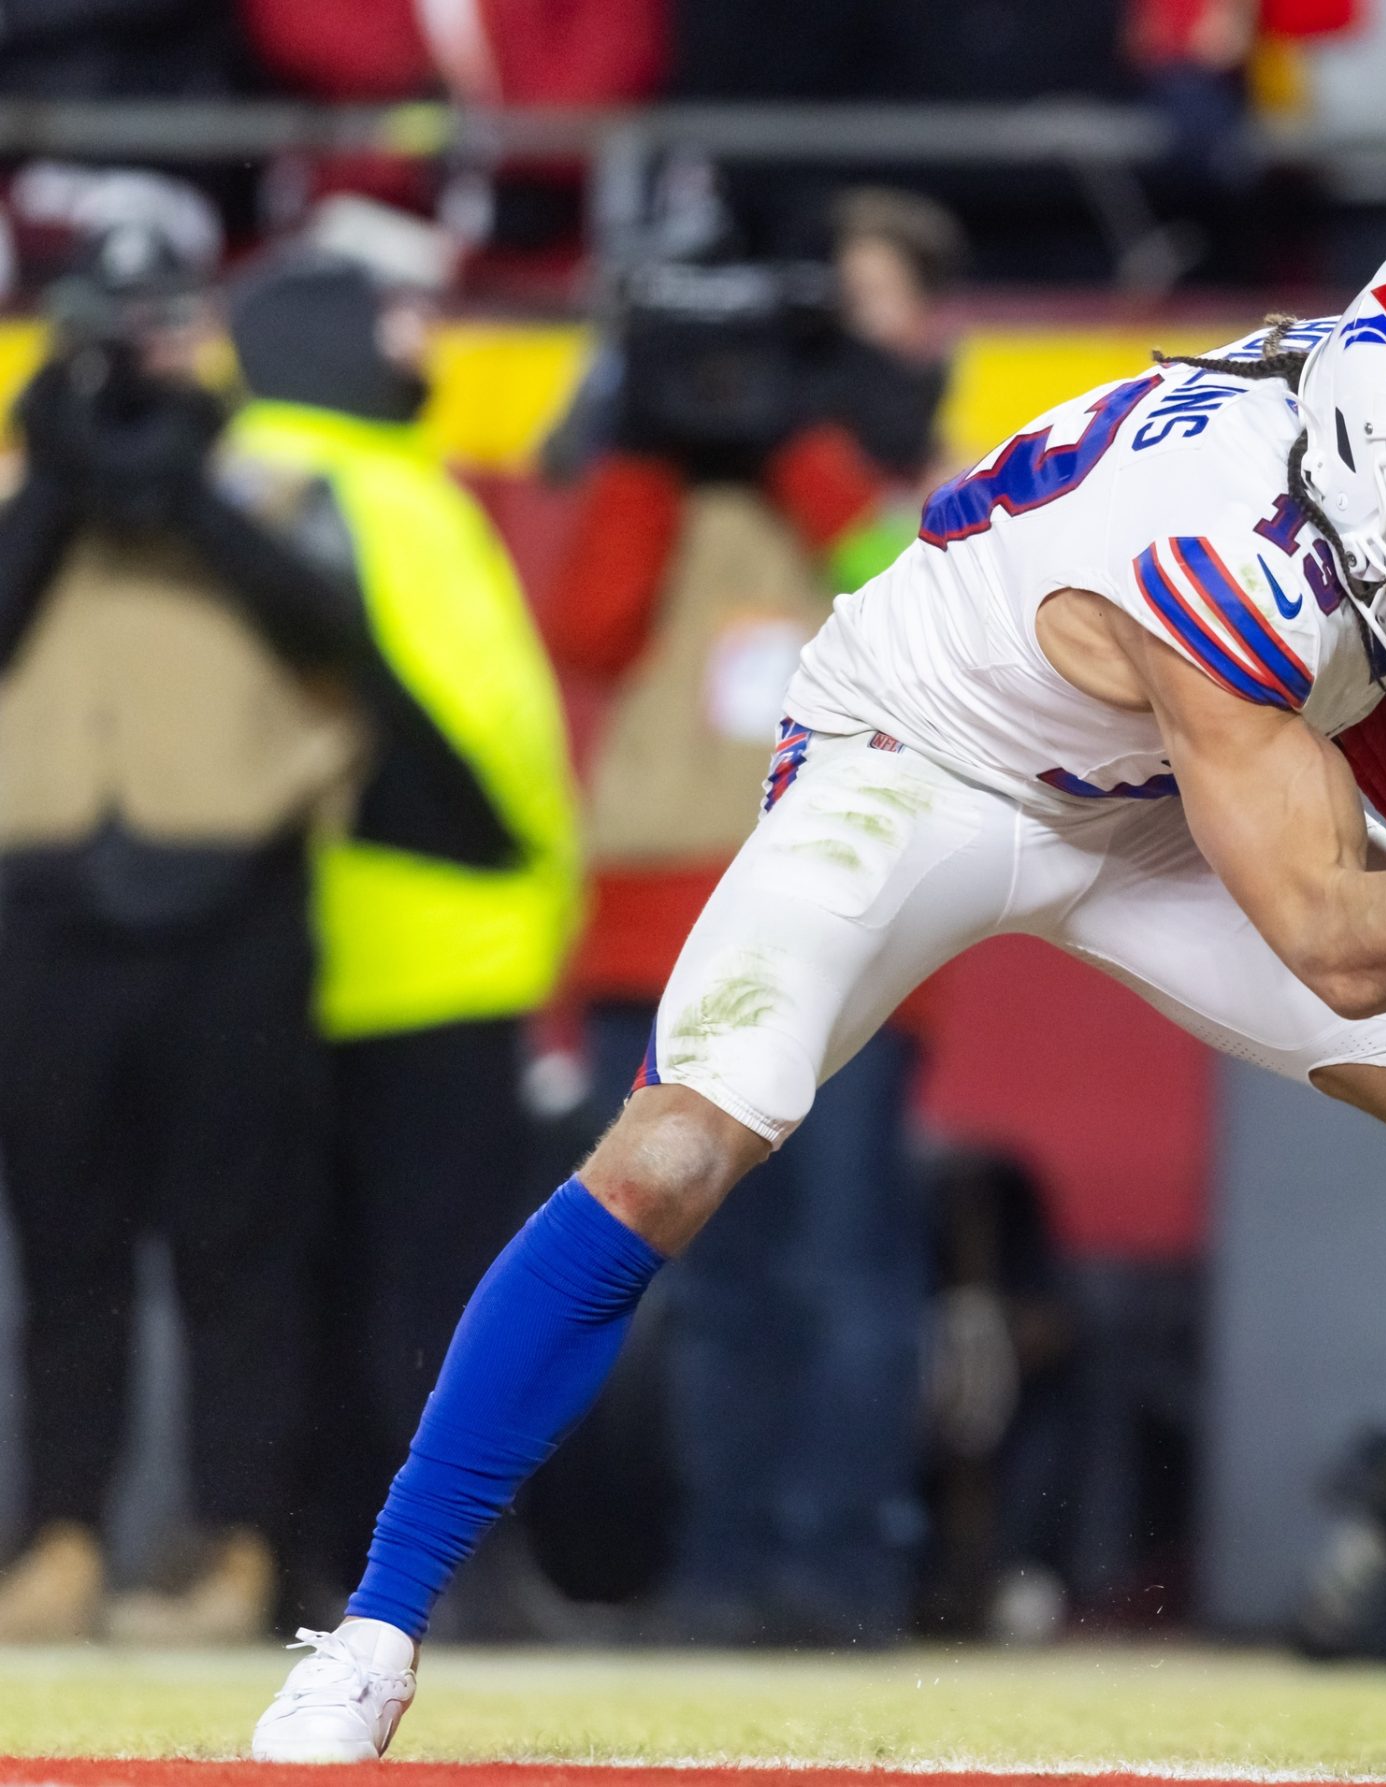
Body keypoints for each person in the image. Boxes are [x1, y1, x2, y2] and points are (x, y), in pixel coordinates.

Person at [253, 235, 1386, 1776]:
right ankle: (372, 1629)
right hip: (925, 761)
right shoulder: (1223, 545)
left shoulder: (1355, 453)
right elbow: (1336, 941)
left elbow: (1371, 712)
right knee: (675, 1149)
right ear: (1363, 461)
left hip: (1151, 781)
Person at [0, 191, 487, 1644]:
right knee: (65, 1246)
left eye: (157, 330)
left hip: (236, 902)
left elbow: (332, 643)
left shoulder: (276, 486)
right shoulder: (20, 492)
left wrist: (188, 491)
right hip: (47, 904)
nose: (132, 360)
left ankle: (234, 1545)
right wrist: (61, 479)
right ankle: (61, 1534)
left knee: (240, 1249)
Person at [543, 185, 962, 1646]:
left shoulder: (908, 472)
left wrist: (794, 440)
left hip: (848, 921)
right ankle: (721, 1568)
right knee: (707, 1275)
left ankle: (841, 1570)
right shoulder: (651, 467)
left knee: (844, 1272)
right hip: (661, 926)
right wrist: (656, 432)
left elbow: (902, 593)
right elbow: (590, 629)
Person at [219, 200, 583, 1626]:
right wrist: (494, 848)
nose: (423, 338)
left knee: (365, 1276)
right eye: (396, 317)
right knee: (425, 1288)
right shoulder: (302, 481)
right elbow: (381, 719)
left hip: (408, 945)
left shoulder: (355, 475)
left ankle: (341, 1565)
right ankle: (433, 1574)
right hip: (399, 946)